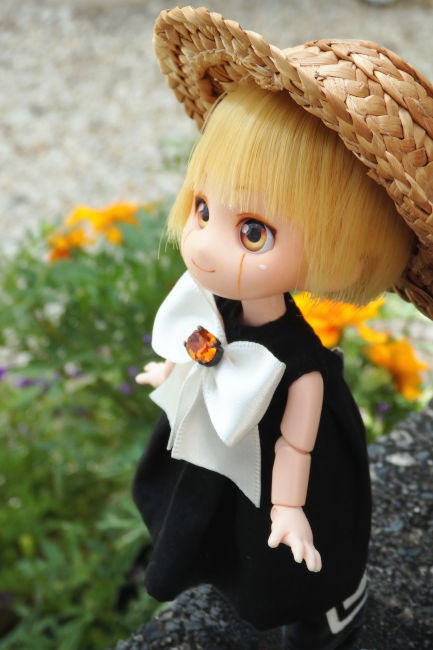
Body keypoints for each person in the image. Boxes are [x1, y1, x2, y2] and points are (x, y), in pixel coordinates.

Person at [133, 7, 433, 649]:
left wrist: (289, 508)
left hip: (281, 473)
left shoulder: (302, 369)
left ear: (344, 252)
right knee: (215, 530)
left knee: (292, 563)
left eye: (252, 232)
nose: (203, 244)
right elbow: (203, 345)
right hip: (224, 448)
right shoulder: (218, 304)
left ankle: (333, 606)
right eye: (202, 208)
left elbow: (296, 449)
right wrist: (175, 370)